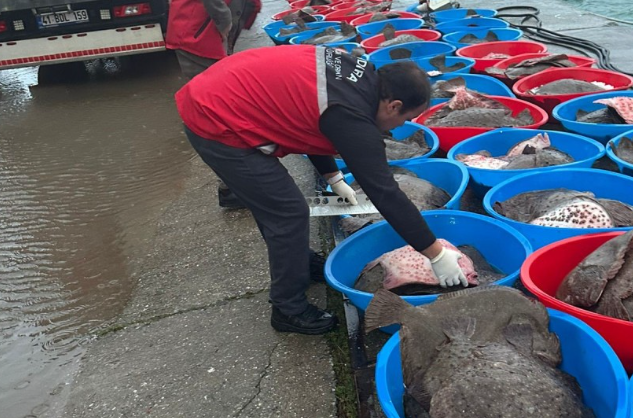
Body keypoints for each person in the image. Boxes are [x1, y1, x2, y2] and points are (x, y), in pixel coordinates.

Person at [174, 45, 469, 335]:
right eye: (405, 119)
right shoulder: (352, 115)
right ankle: (288, 308)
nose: (400, 126)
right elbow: (385, 193)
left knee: (277, 205)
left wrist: (332, 176)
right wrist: (435, 254)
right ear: (393, 105)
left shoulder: (359, 75)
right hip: (214, 117)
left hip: (222, 87)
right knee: (288, 213)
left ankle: (299, 262)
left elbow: (312, 120)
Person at [165, 0, 262, 208]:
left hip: (206, 34)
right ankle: (231, 187)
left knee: (224, 106)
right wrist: (224, 22)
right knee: (217, 111)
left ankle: (234, 185)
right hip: (197, 37)